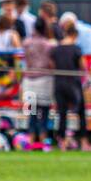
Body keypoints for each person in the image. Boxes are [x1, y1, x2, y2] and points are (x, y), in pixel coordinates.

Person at [51, 24, 91, 151]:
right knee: (81, 112)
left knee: (62, 113)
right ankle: (84, 142)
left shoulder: (56, 49)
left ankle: (62, 143)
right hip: (73, 84)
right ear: (75, 35)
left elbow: (52, 66)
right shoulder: (76, 49)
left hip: (59, 83)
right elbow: (83, 67)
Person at [21, 15, 56, 147]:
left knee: (32, 112)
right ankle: (43, 140)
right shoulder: (48, 45)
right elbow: (51, 64)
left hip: (29, 80)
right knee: (44, 112)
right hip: (44, 79)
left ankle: (30, 140)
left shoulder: (26, 43)